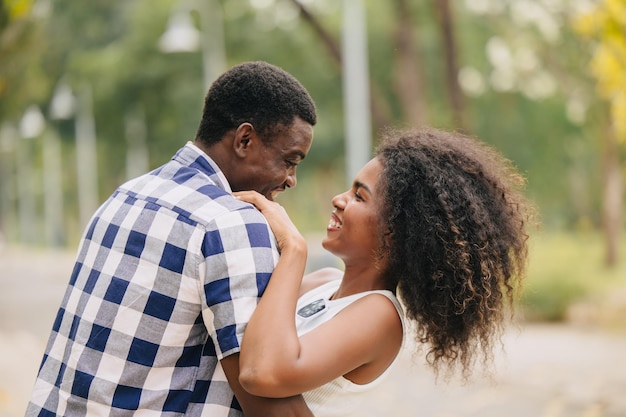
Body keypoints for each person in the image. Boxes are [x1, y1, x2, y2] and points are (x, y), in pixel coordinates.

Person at [26, 61, 318, 417]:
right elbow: (270, 402)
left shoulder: (125, 196)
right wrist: (295, 249)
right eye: (290, 161)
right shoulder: (231, 223)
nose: (291, 179)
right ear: (244, 140)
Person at [235, 127, 532, 417]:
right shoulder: (322, 283)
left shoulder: (381, 315)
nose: (339, 199)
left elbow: (262, 373)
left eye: (359, 196)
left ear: (397, 233)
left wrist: (294, 250)